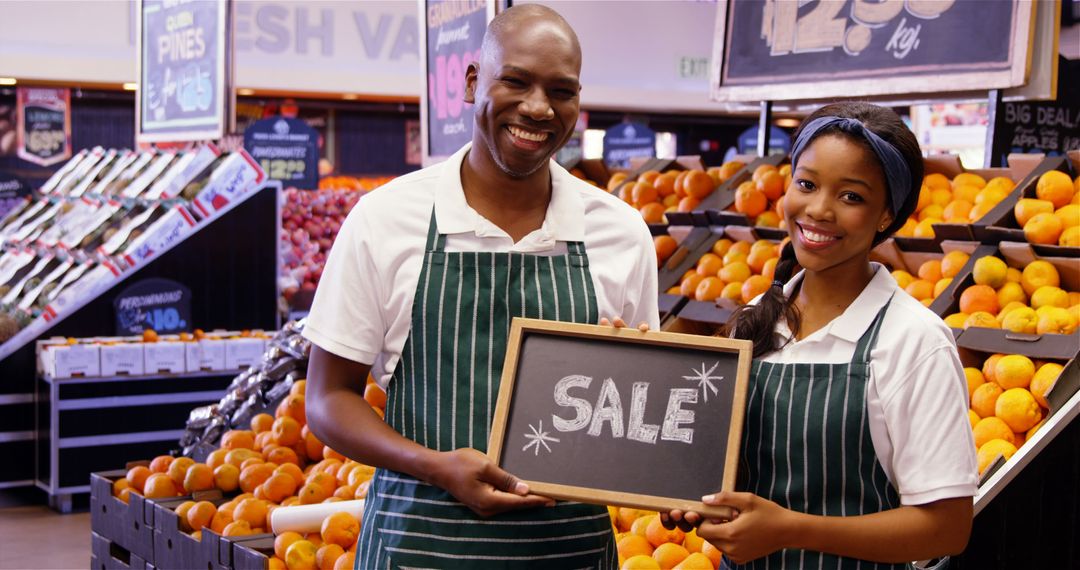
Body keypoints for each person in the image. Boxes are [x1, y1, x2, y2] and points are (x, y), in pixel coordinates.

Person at [302, 4, 658, 568]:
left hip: (569, 552)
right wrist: (432, 464)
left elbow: (639, 421)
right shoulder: (385, 219)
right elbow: (325, 399)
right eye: (516, 81)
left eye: (561, 91)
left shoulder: (620, 233)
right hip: (416, 548)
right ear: (472, 82)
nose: (538, 108)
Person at [663, 102, 978, 568]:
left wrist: (791, 529)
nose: (818, 210)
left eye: (851, 197)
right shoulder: (755, 318)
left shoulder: (914, 341)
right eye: (806, 184)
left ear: (887, 215)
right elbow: (716, 462)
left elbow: (947, 528)